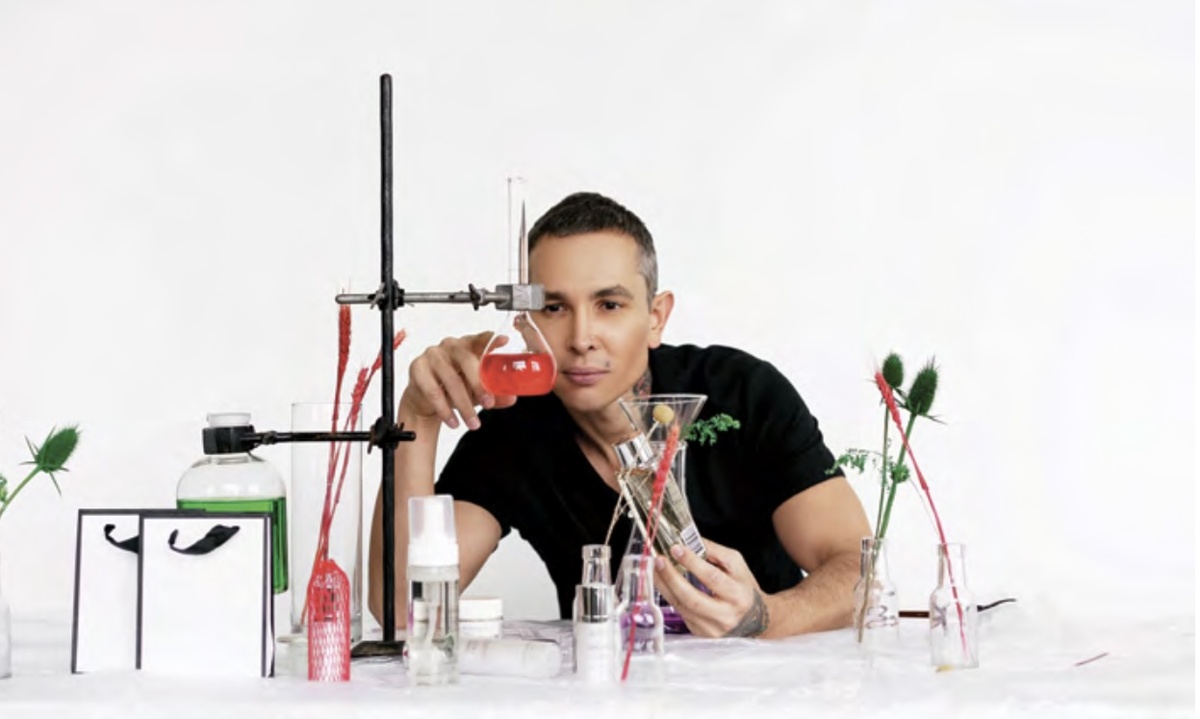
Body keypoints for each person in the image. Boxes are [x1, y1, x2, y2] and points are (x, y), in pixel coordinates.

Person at [367, 191, 870, 638]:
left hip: (767, 689)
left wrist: (766, 617)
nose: (581, 338)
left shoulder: (742, 393)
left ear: (656, 318)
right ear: (524, 322)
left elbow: (860, 569)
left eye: (609, 305)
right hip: (608, 690)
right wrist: (419, 414)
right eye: (554, 308)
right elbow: (402, 608)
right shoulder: (513, 426)